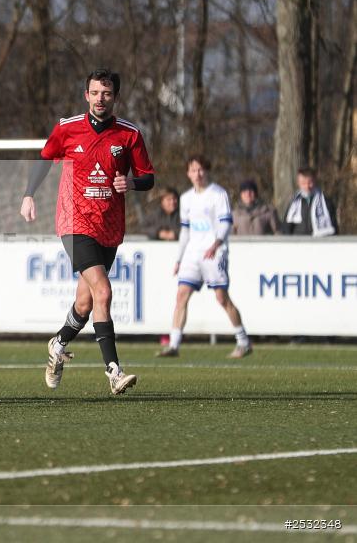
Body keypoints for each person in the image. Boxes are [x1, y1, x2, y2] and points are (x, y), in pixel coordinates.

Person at [21, 68, 155, 395]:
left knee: (84, 303)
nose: (100, 99)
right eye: (95, 93)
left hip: (109, 226)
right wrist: (29, 194)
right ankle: (114, 370)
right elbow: (44, 160)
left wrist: (131, 183)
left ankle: (58, 344)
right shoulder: (67, 129)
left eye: (106, 94)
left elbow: (148, 177)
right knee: (104, 292)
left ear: (115, 97)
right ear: (86, 95)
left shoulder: (129, 135)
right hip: (74, 222)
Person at [158, 155, 252, 359]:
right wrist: (178, 259)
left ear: (206, 171)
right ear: (188, 173)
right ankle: (173, 345)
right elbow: (185, 231)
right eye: (193, 170)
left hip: (214, 252)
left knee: (221, 297)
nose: (197, 174)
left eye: (200, 170)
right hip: (193, 253)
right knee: (181, 294)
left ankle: (243, 341)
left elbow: (226, 223)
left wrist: (216, 243)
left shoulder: (218, 194)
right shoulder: (185, 198)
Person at [281, 167, 337, 236]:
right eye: (303, 183)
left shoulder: (325, 201)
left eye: (310, 182)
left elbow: (333, 226)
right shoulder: (294, 202)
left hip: (320, 242)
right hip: (298, 242)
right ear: (298, 183)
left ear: (315, 181)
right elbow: (286, 227)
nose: (307, 186)